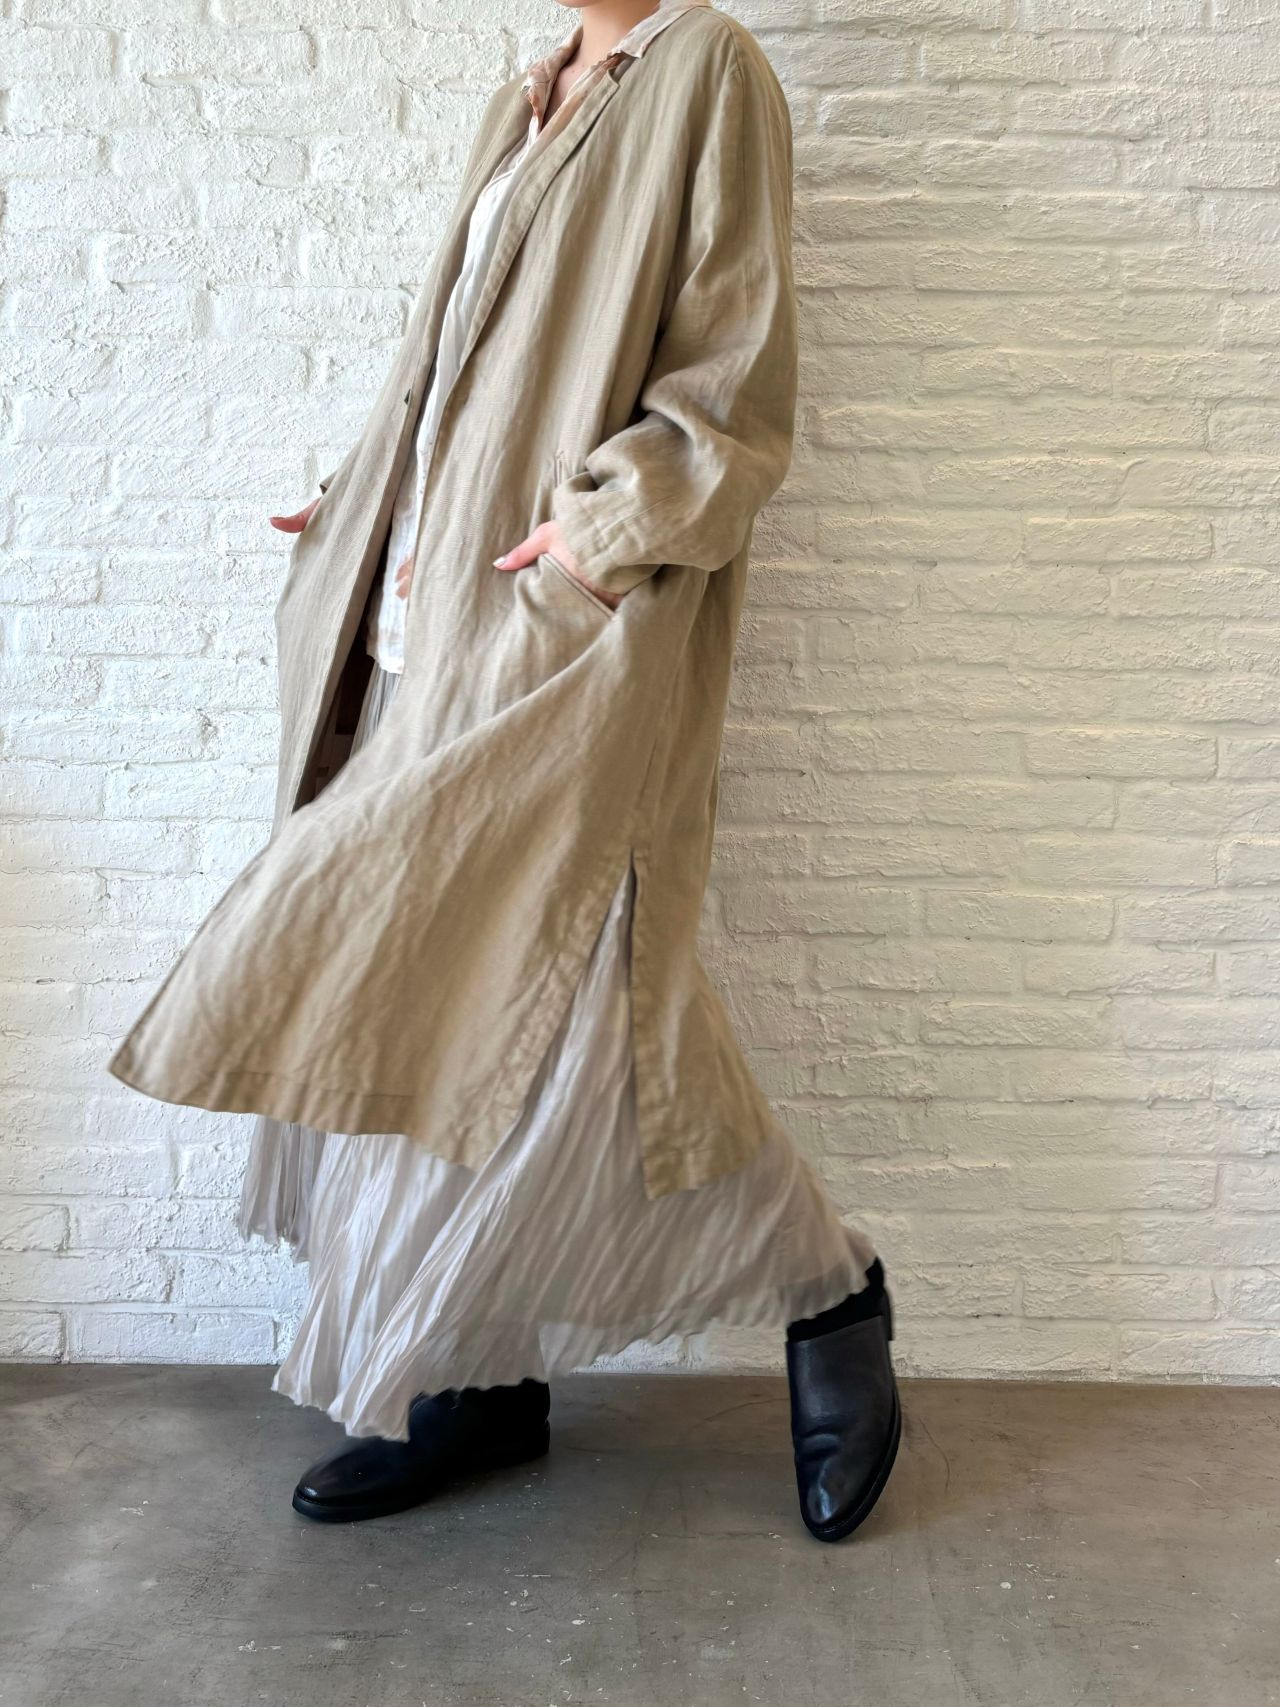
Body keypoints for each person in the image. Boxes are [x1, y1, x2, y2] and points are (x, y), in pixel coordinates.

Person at [107, 0, 900, 1543]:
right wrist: (360, 498)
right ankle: (481, 1381)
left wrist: (602, 540)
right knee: (471, 997)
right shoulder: (525, 96)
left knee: (575, 999)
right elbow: (453, 363)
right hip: (420, 620)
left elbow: (732, 387)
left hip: (553, 638)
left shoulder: (707, 71)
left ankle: (830, 1289)